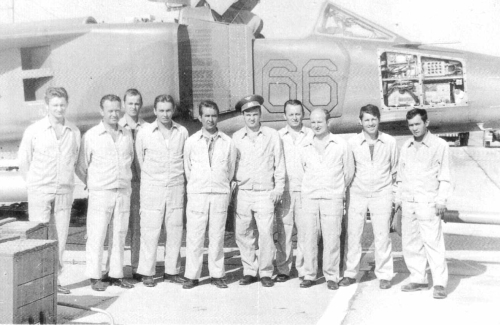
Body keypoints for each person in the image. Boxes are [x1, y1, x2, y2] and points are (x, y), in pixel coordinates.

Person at [18, 87, 81, 295]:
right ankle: (37, 281)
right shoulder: (34, 131)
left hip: (63, 191)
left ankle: (55, 280)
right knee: (39, 237)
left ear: (67, 105)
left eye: (62, 104)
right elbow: (24, 161)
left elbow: (76, 157)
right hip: (40, 190)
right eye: (55, 105)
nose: (59, 108)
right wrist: (34, 184)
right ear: (47, 106)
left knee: (60, 237)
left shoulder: (73, 131)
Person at [76, 94, 135, 291]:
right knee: (97, 234)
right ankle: (95, 275)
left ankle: (115, 274)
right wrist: (94, 184)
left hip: (122, 191)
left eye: (117, 110)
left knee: (119, 234)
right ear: (101, 111)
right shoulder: (91, 136)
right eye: (110, 110)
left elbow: (130, 159)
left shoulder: (127, 134)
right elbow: (81, 166)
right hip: (101, 192)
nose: (114, 114)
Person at [396, 108, 452, 299]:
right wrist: (399, 200)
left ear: (426, 123)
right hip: (408, 202)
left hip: (429, 202)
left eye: (417, 124)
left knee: (433, 244)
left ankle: (439, 283)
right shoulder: (406, 146)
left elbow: (445, 176)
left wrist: (441, 200)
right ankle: (418, 279)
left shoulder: (440, 145)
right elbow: (401, 177)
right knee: (410, 244)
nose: (414, 128)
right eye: (411, 125)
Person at [341, 104, 398, 289]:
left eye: (374, 119)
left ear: (378, 120)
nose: (371, 123)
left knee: (382, 236)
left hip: (382, 193)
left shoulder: (390, 142)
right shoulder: (352, 143)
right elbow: (348, 171)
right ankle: (350, 273)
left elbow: (395, 170)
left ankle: (384, 275)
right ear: (360, 121)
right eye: (367, 119)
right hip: (357, 193)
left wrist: (395, 196)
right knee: (354, 235)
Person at [135, 95, 188, 287]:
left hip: (175, 186)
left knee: (174, 230)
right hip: (152, 187)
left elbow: (185, 159)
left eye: (168, 110)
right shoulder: (144, 132)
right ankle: (147, 271)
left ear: (173, 110)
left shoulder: (182, 132)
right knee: (150, 230)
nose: (165, 114)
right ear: (155, 111)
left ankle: (172, 271)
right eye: (161, 110)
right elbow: (141, 160)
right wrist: (152, 179)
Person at [182, 101, 237, 289]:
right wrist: (200, 184)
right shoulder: (191, 142)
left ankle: (217, 274)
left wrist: (219, 184)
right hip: (198, 193)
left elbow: (230, 170)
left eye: (214, 115)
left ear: (217, 117)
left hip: (220, 193)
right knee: (195, 236)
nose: (211, 119)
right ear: (200, 117)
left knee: (217, 236)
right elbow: (188, 169)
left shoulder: (228, 142)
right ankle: (192, 275)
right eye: (207, 115)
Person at [232, 94, 285, 287]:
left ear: (260, 115)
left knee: (265, 234)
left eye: (255, 114)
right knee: (244, 233)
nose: (252, 118)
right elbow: (232, 165)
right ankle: (249, 270)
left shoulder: (272, 135)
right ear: (243, 117)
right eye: (248, 115)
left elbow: (279, 163)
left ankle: (265, 272)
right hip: (244, 191)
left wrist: (278, 187)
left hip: (265, 192)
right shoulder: (237, 138)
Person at [300, 108, 354, 290]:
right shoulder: (304, 145)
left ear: (328, 122)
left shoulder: (340, 144)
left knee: (332, 238)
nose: (316, 125)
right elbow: (301, 171)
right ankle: (309, 274)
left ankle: (331, 275)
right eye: (313, 122)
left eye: (320, 122)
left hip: (332, 198)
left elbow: (348, 173)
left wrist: (335, 188)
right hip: (310, 197)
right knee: (309, 238)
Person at [105, 89, 148, 281]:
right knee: (116, 227)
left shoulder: (147, 128)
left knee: (139, 227)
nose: (134, 107)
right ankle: (113, 269)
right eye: (130, 103)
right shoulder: (117, 126)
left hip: (140, 183)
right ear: (124, 105)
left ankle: (138, 266)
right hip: (120, 182)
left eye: (137, 103)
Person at [275, 99, 313, 283]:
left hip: (306, 191)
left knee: (306, 232)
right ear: (284, 116)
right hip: (286, 192)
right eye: (291, 114)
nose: (295, 117)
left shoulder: (312, 135)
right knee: (284, 231)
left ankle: (304, 269)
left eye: (298, 113)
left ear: (303, 115)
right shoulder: (278, 136)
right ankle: (283, 269)